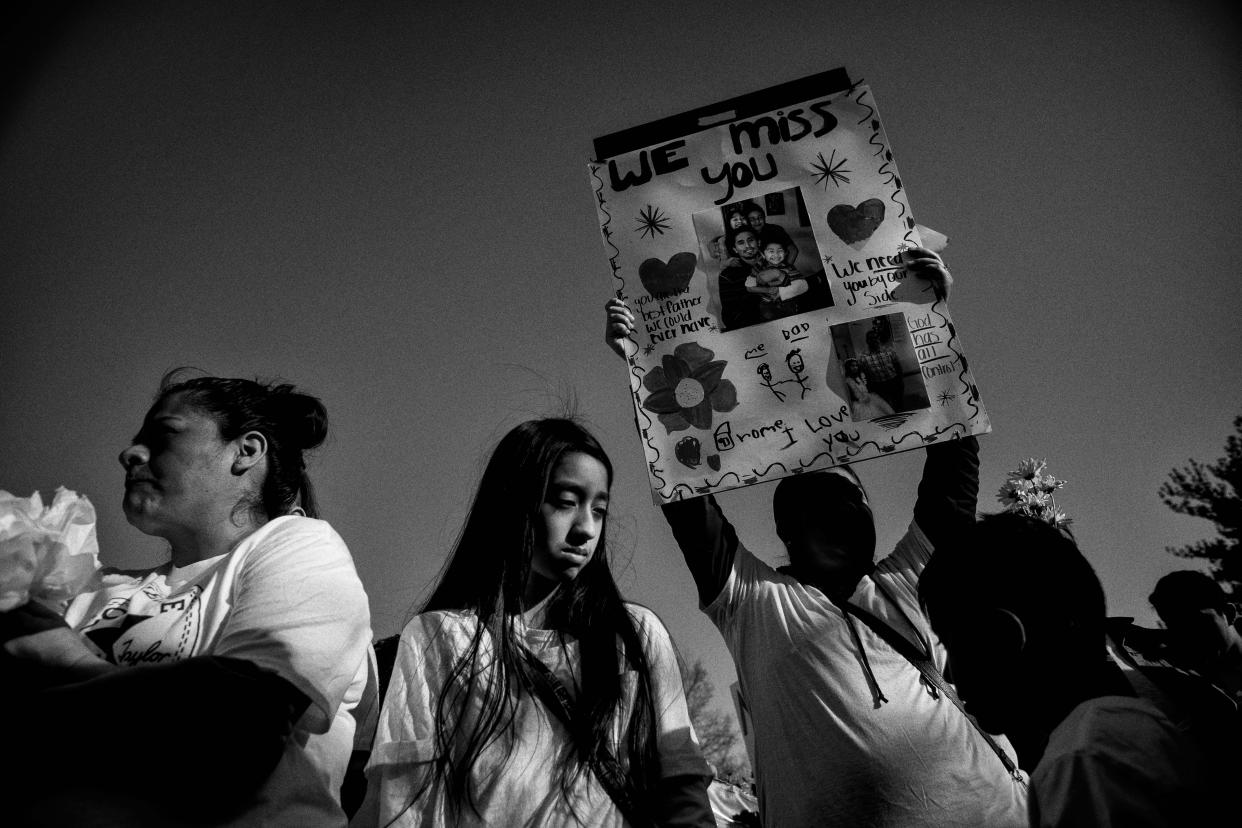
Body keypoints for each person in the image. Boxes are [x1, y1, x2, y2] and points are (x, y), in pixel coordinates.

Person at [605, 247, 1029, 827]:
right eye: (815, 505)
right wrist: (643, 369)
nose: (837, 516)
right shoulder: (754, 604)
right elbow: (685, 492)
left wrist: (927, 318)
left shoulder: (910, 581)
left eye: (848, 501)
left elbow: (954, 459)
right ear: (786, 526)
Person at [1, 372, 375, 827]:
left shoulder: (299, 546)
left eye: (163, 435)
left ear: (247, 452)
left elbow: (240, 724)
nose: (130, 453)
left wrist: (67, 663)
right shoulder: (96, 587)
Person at [358, 418, 714, 827]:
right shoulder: (441, 637)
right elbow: (408, 801)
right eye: (565, 501)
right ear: (514, 502)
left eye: (599, 510)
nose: (585, 529)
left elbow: (682, 782)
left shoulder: (634, 633)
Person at [920, 513, 1216, 826]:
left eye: (952, 643)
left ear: (1003, 636)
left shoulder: (1084, 761)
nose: (949, 674)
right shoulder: (1124, 732)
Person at [1149, 569, 1242, 704]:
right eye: (1176, 628)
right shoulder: (1185, 682)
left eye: (1197, 622)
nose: (1190, 635)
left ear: (1228, 613)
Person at [744, 240, 808, 322]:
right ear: (763, 253)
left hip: (788, 303)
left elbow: (800, 284)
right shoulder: (758, 267)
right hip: (766, 304)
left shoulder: (789, 268)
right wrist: (767, 290)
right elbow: (749, 287)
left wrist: (781, 288)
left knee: (790, 320)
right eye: (771, 251)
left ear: (785, 253)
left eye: (780, 251)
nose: (776, 254)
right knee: (770, 322)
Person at [859, 330, 904, 412]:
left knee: (899, 405)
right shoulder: (863, 357)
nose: (874, 340)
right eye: (871, 338)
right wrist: (870, 388)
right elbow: (865, 374)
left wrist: (900, 380)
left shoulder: (889, 351)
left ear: (879, 339)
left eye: (876, 337)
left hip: (894, 382)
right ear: (867, 341)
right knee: (886, 408)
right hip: (878, 386)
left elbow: (898, 366)